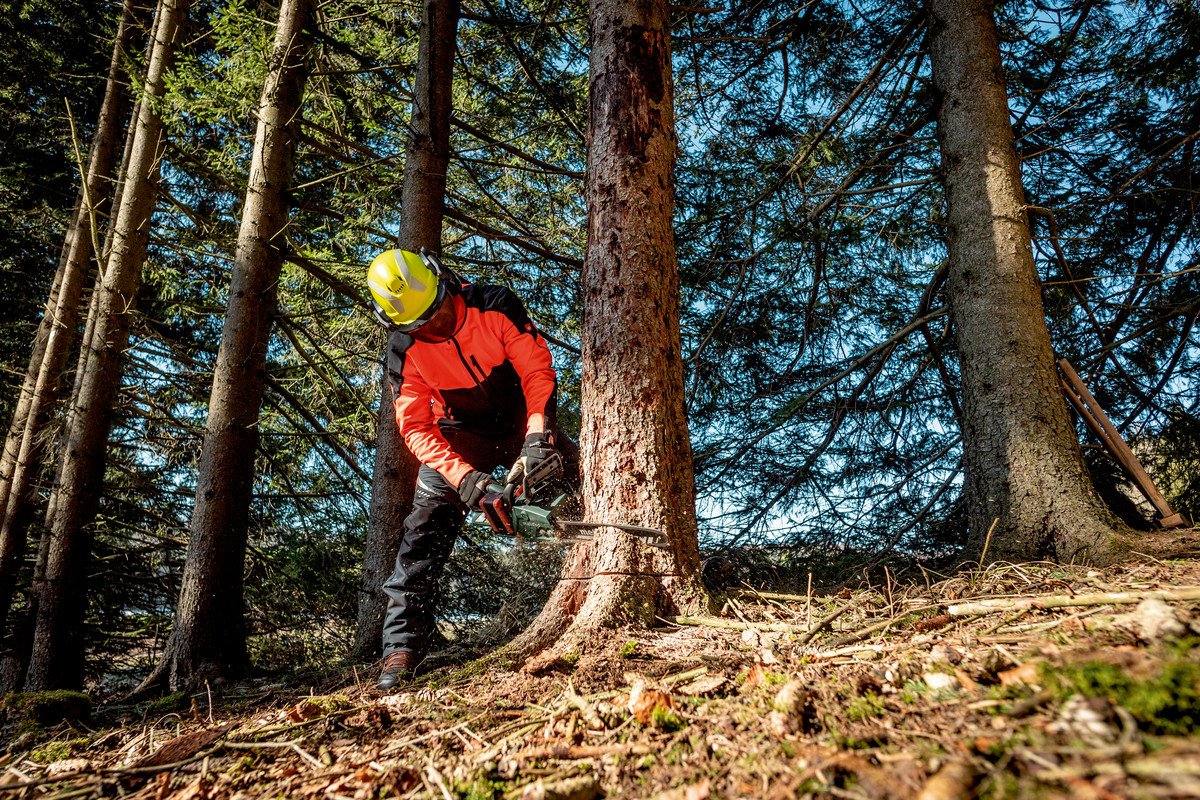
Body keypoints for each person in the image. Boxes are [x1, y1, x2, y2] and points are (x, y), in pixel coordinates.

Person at [366, 248, 577, 690]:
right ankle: (401, 650)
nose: (434, 325)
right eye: (419, 323)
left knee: (577, 472)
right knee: (423, 530)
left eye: (437, 310)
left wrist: (537, 438)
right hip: (459, 432)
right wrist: (466, 480)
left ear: (445, 280)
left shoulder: (494, 304)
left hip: (521, 415)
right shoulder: (405, 349)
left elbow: (537, 372)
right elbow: (416, 427)